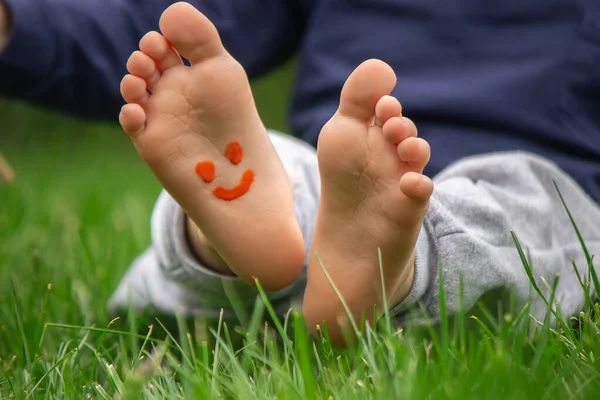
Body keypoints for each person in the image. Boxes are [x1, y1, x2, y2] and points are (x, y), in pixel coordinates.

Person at [1, 1, 599, 346]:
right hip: (354, 166)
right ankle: (263, 241)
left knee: (512, 210)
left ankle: (222, 251)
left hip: (505, 165)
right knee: (291, 177)